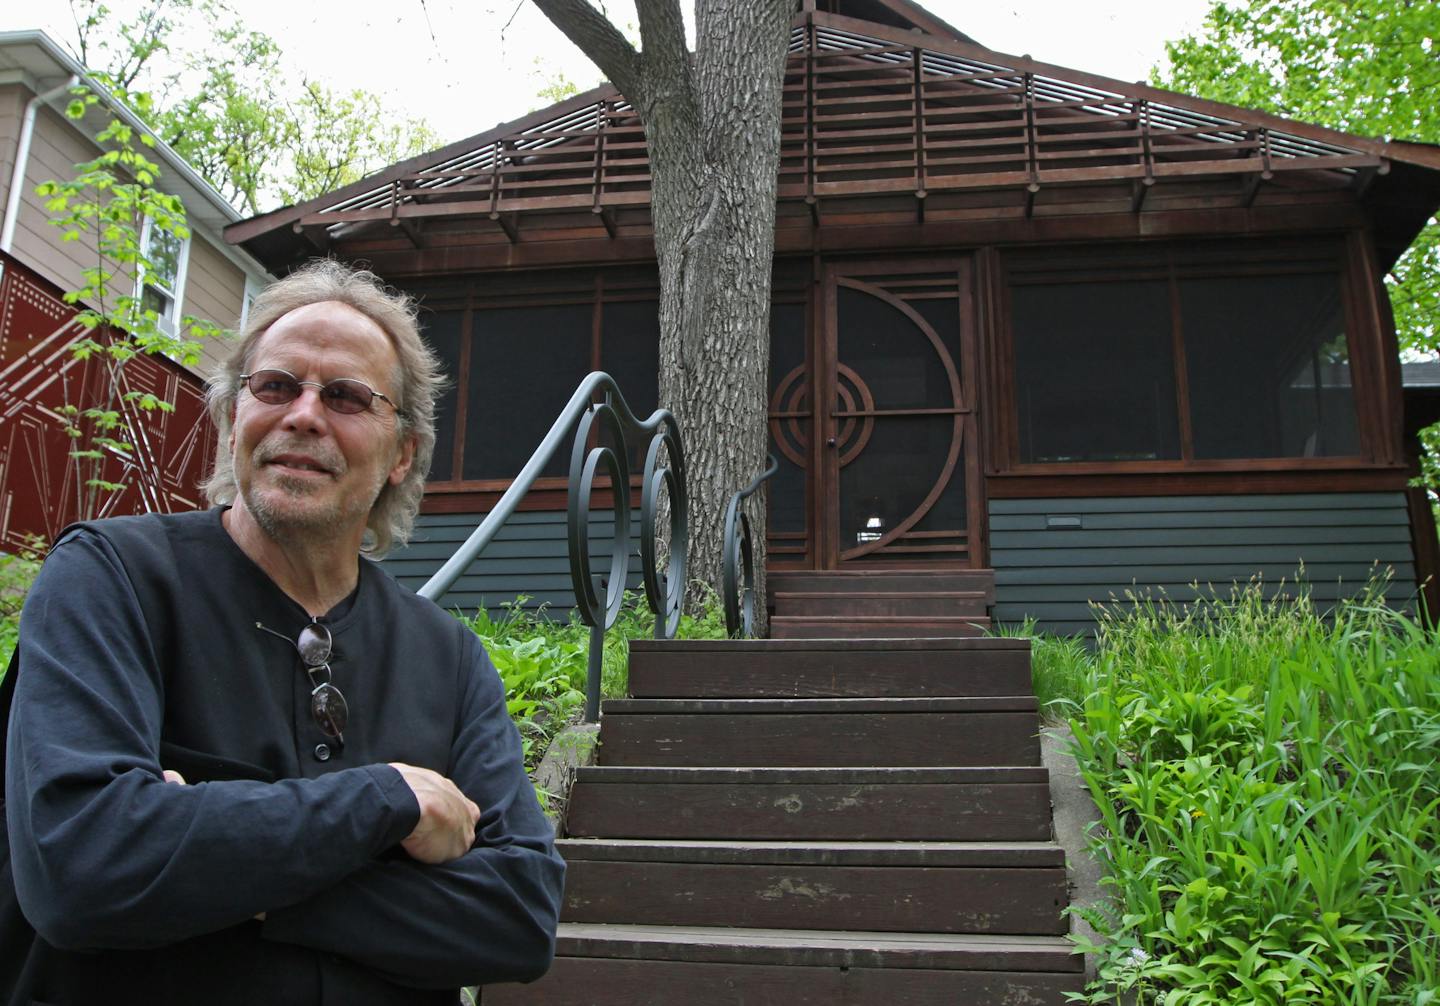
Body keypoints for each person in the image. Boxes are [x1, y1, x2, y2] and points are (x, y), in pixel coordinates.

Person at [5, 260, 565, 1003]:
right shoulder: (111, 581)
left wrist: (225, 869)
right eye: (275, 386)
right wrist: (385, 800)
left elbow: (520, 916)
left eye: (344, 396)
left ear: (402, 453)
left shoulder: (448, 658)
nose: (303, 413)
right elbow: (81, 866)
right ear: (234, 416)